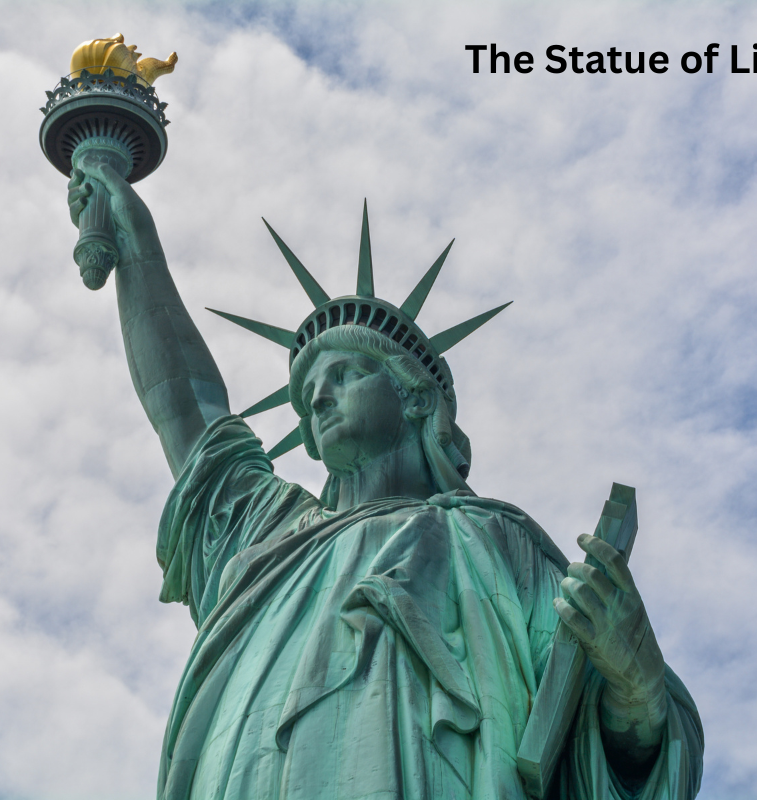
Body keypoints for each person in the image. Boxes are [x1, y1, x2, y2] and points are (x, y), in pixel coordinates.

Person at [66, 162, 704, 799]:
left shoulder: (494, 542)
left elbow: (599, 732)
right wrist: (132, 235)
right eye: (308, 392)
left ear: (417, 398)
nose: (319, 399)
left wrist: (633, 680)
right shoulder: (267, 535)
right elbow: (186, 409)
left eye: (344, 375)